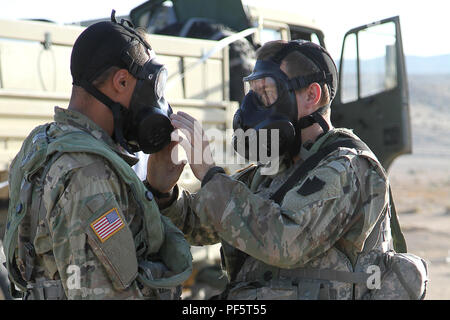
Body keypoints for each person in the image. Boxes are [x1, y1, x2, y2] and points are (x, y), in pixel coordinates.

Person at [149, 40, 399, 300]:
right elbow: (203, 224)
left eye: (267, 92)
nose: (253, 105)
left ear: (311, 95)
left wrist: (211, 175)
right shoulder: (273, 170)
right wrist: (163, 193)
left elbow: (286, 243)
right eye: (254, 93)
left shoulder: (348, 166)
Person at [3, 13, 192, 300]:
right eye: (151, 86)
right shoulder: (88, 172)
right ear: (121, 82)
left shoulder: (41, 147)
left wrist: (158, 191)